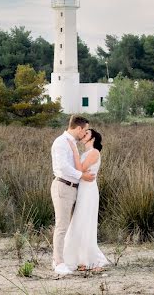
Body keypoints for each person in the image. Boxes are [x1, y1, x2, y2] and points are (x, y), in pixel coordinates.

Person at [50, 115, 95, 275]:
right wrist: (82, 176)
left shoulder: (72, 143)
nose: (85, 134)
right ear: (79, 128)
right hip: (63, 186)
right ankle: (58, 262)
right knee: (61, 225)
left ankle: (65, 258)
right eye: (84, 130)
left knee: (69, 226)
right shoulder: (61, 142)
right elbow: (63, 167)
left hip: (73, 187)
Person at [63, 128, 109, 271]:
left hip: (88, 191)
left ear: (93, 138)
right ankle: (79, 259)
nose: (84, 135)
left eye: (87, 133)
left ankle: (88, 259)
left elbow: (81, 168)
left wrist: (74, 151)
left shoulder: (94, 152)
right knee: (78, 221)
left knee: (84, 222)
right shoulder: (86, 153)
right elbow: (78, 170)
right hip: (82, 189)